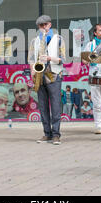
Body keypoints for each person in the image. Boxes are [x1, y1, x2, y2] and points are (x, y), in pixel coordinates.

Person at [28, 15, 66, 145]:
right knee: (43, 106)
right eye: (41, 26)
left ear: (50, 25)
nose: (43, 28)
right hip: (40, 76)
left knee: (55, 106)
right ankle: (47, 133)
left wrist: (50, 58)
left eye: (45, 25)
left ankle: (56, 134)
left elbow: (63, 59)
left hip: (54, 75)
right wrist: (32, 71)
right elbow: (31, 59)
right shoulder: (34, 41)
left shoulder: (59, 39)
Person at [83, 23, 101, 134]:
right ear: (95, 33)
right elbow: (84, 61)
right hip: (95, 76)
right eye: (100, 30)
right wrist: (92, 58)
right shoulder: (90, 45)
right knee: (97, 104)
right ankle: (98, 125)